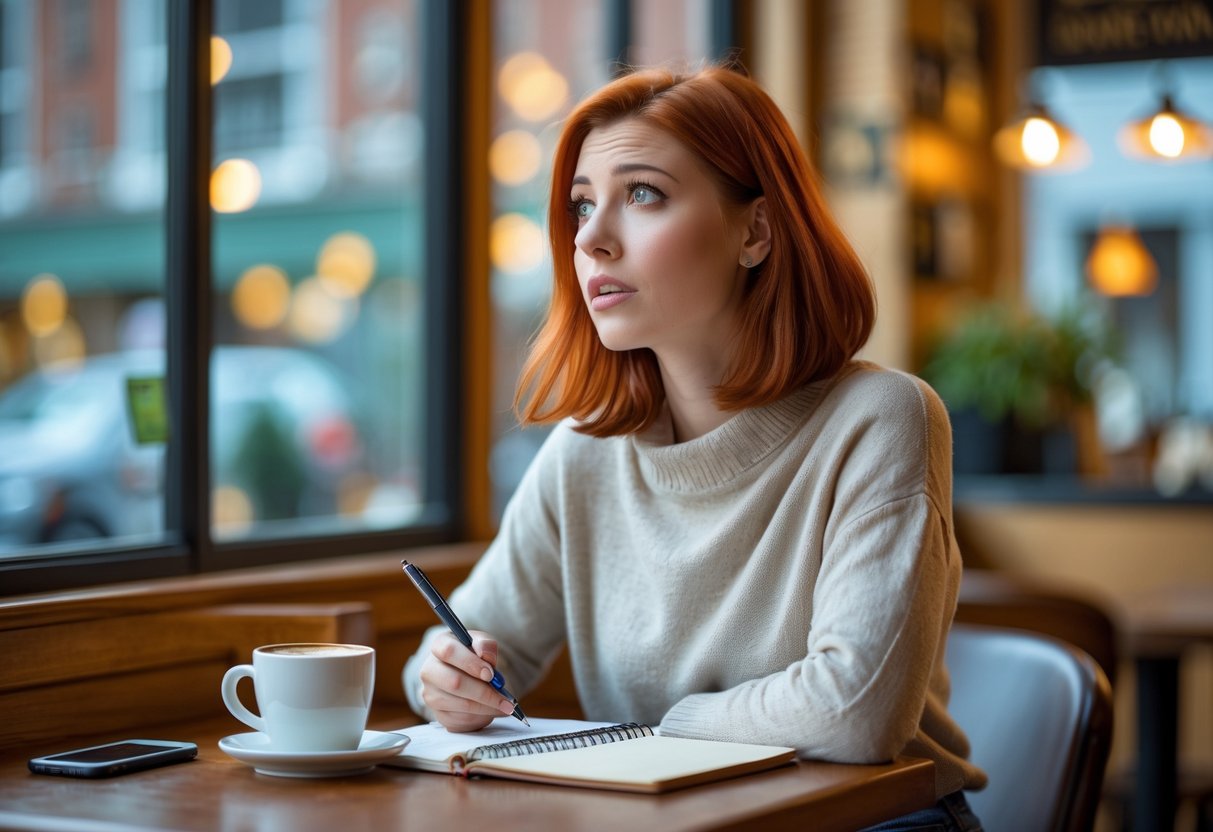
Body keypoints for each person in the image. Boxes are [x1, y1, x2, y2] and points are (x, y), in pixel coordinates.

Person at [403, 64, 986, 831]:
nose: (590, 239)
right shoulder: (585, 453)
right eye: (581, 205)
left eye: (641, 194)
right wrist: (445, 677)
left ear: (756, 231)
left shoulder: (881, 419)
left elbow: (853, 713)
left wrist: (657, 727)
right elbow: (459, 645)